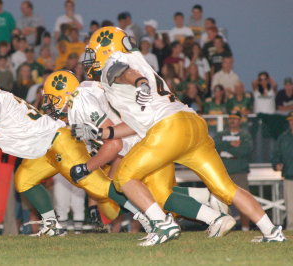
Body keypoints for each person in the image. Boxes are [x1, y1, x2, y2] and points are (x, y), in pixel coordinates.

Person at [78, 26, 285, 245]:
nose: (91, 60)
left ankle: (162, 224)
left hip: (169, 128)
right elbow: (134, 124)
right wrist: (101, 132)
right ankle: (271, 230)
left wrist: (139, 83)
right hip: (192, 123)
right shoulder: (138, 60)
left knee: (123, 178)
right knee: (226, 188)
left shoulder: (115, 61)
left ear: (106, 48)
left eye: (94, 52)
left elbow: (124, 72)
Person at [0, 73, 150, 237]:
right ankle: (51, 225)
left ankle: (145, 214)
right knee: (24, 180)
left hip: (58, 142)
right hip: (45, 147)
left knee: (98, 186)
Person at [44, 70, 233, 236]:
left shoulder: (81, 101)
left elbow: (114, 144)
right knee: (151, 191)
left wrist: (87, 167)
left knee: (155, 194)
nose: (49, 104)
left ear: (65, 93)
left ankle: (199, 220)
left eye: (51, 98)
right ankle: (208, 207)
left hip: (147, 140)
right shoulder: (86, 91)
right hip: (147, 137)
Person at [214, 111, 253, 231]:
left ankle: (245, 227)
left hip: (239, 171)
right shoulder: (221, 134)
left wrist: (227, 147)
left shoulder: (245, 135)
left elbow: (245, 151)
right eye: (230, 118)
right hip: (224, 171)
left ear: (240, 121)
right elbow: (215, 146)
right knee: (221, 202)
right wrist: (232, 145)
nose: (232, 120)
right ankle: (223, 228)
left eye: (235, 118)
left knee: (244, 201)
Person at [272, 111, 293, 231]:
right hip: (289, 175)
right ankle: (291, 230)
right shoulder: (283, 137)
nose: (292, 123)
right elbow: (276, 155)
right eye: (290, 121)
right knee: (290, 207)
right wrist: (276, 164)